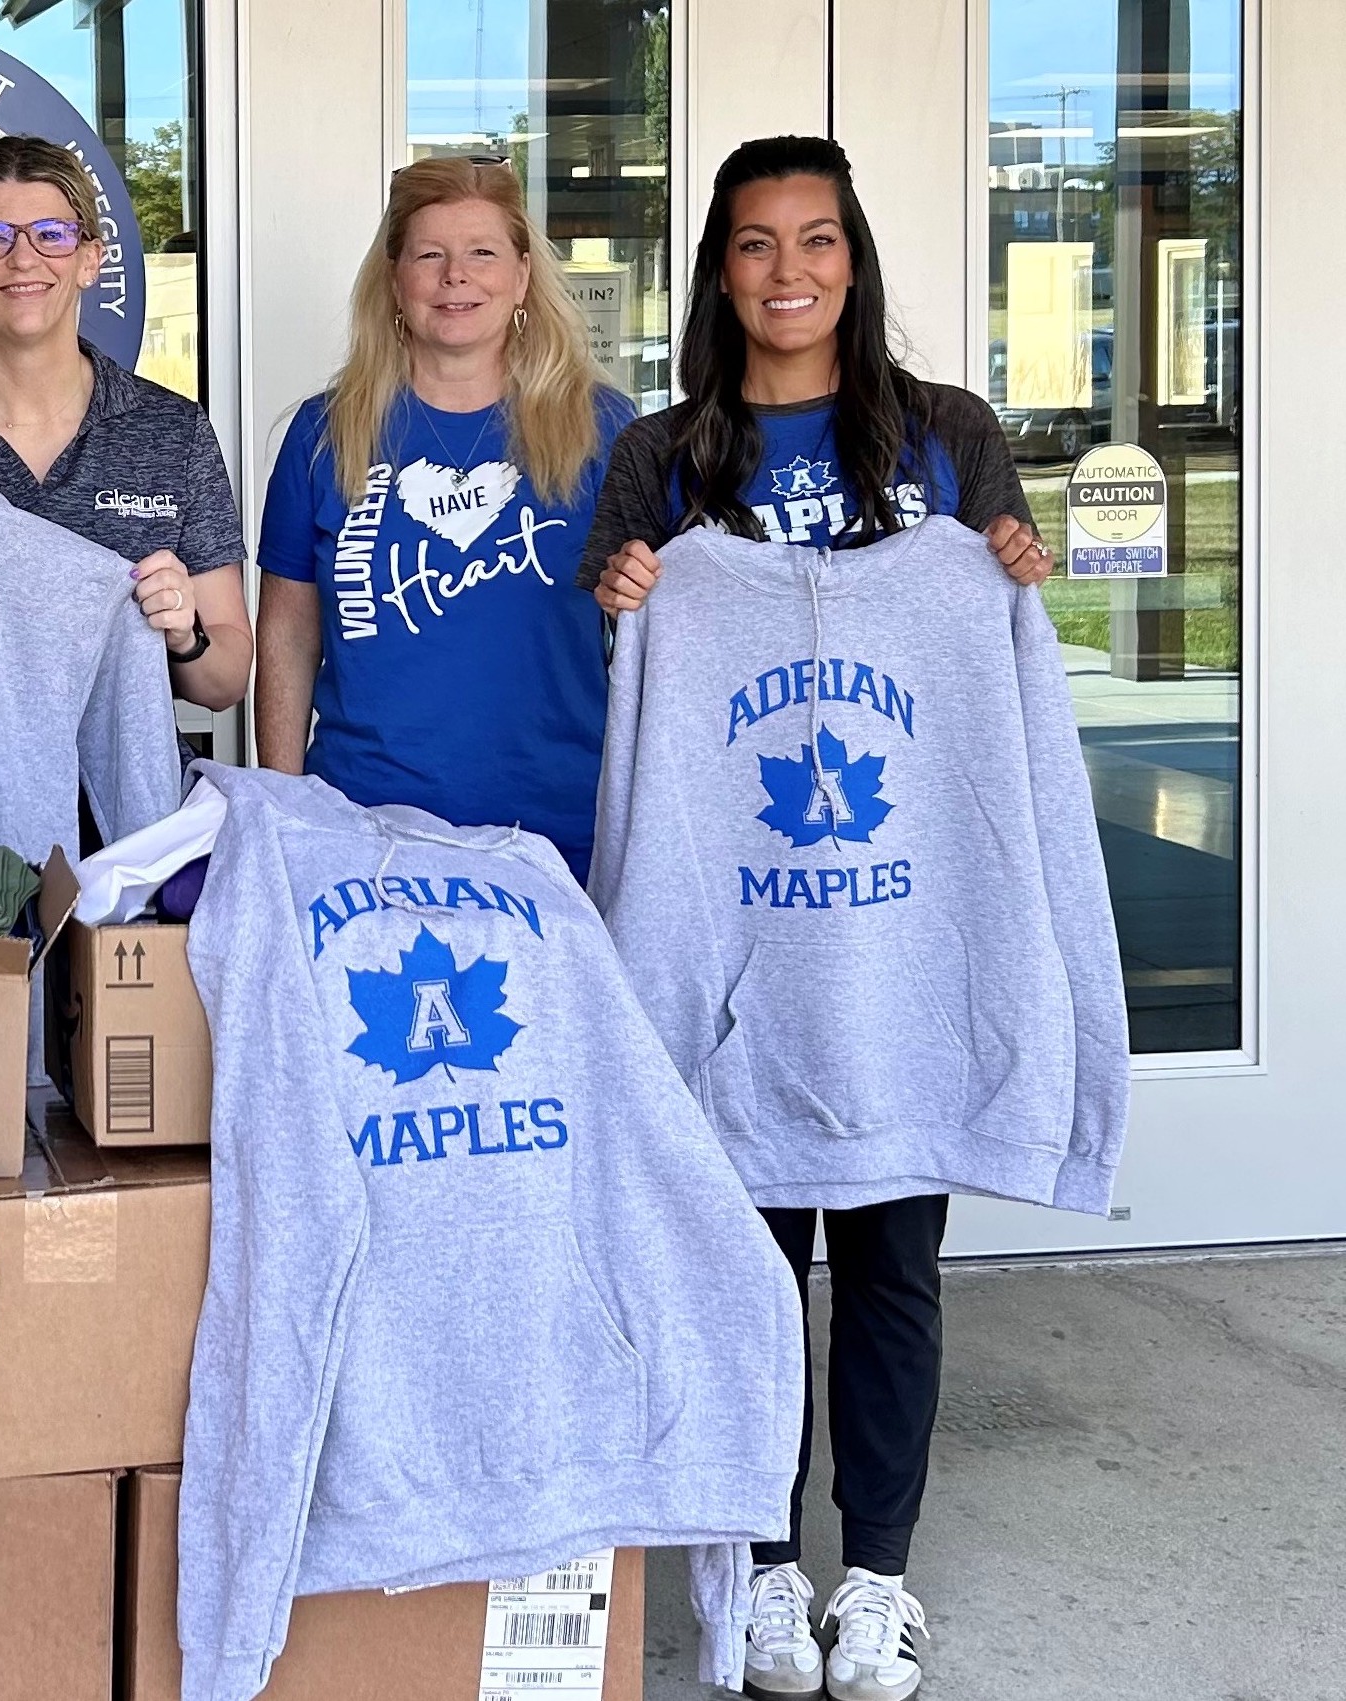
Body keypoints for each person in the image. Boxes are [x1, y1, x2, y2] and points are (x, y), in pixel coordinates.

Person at [585, 135, 1053, 1701]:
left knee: (894, 1263)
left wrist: (1006, 567)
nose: (786, 273)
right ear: (717, 272)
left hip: (896, 942)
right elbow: (624, 684)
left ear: (852, 261)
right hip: (739, 944)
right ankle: (764, 1569)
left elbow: (991, 649)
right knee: (749, 1262)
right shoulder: (660, 455)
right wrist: (628, 603)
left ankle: (880, 1578)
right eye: (753, 245)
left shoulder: (948, 437)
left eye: (815, 241)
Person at [252, 155, 632, 881]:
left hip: (560, 834)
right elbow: (289, 630)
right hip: (365, 828)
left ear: (522, 277)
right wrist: (286, 804)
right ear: (395, 280)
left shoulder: (604, 430)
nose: (456, 276)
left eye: (482, 253)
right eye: (430, 255)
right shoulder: (326, 433)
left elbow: (653, 626)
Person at [0, 136, 253, 713]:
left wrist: (185, 634)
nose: (23, 258)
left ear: (90, 259)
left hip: (133, 799)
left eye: (52, 234)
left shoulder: (173, 432)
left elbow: (226, 683)